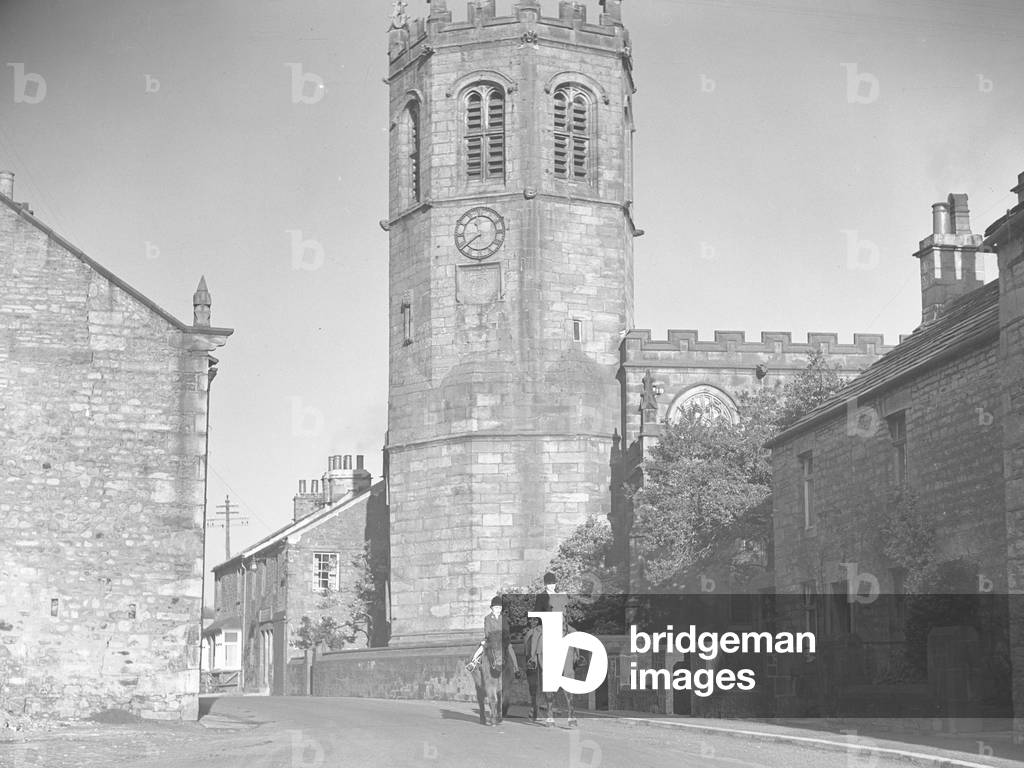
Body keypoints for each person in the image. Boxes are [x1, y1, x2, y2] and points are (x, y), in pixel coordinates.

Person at [466, 595, 521, 677]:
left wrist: (504, 636)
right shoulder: (487, 618)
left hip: (502, 638)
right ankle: (473, 662)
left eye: (499, 608)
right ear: (492, 608)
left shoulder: (504, 618)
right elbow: (487, 630)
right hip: (491, 638)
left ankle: (516, 668)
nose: (498, 610)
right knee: (482, 646)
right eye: (496, 608)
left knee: (510, 648)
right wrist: (490, 637)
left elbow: (506, 629)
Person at [523, 615, 543, 720]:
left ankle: (534, 710)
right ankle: (534, 710)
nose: (532, 621)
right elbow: (526, 650)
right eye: (530, 619)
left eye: (535, 619)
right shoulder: (528, 633)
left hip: (542, 661)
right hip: (531, 663)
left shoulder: (541, 631)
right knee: (534, 687)